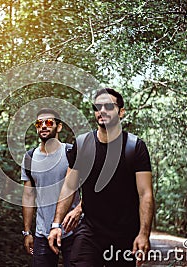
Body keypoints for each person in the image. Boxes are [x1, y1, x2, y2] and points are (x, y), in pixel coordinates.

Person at [48, 88, 154, 266]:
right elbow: (69, 186)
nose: (102, 110)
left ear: (121, 112)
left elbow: (146, 194)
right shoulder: (82, 145)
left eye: (109, 106)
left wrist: (143, 234)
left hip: (125, 233)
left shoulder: (135, 147)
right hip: (90, 231)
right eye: (98, 107)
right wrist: (56, 224)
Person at [21, 108, 82, 267]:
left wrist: (79, 210)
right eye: (39, 123)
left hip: (73, 230)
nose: (43, 126)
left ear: (59, 127)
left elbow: (91, 188)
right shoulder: (30, 157)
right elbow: (28, 197)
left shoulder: (71, 152)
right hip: (42, 232)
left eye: (49, 122)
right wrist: (27, 232)